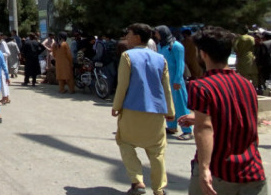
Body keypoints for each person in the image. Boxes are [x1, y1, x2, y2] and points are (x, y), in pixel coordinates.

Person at [174, 26, 268, 194]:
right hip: (252, 170)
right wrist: (199, 118)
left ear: (203, 53)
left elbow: (205, 128)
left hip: (219, 172)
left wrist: (204, 169)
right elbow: (242, 118)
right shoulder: (246, 84)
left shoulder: (200, 86)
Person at [112, 23, 174, 195]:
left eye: (129, 34)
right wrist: (170, 111)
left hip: (132, 109)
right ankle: (159, 189)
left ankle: (138, 181)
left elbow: (122, 85)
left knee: (124, 142)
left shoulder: (127, 56)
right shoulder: (160, 58)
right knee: (157, 151)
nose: (127, 37)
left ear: (137, 37)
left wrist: (116, 106)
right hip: (156, 111)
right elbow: (165, 87)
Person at [155, 25, 192, 140]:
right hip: (164, 80)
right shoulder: (161, 46)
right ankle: (171, 126)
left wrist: (177, 80)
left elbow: (180, 64)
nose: (156, 35)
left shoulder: (176, 46)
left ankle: (187, 130)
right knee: (168, 104)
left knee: (180, 104)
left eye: (157, 32)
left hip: (176, 80)